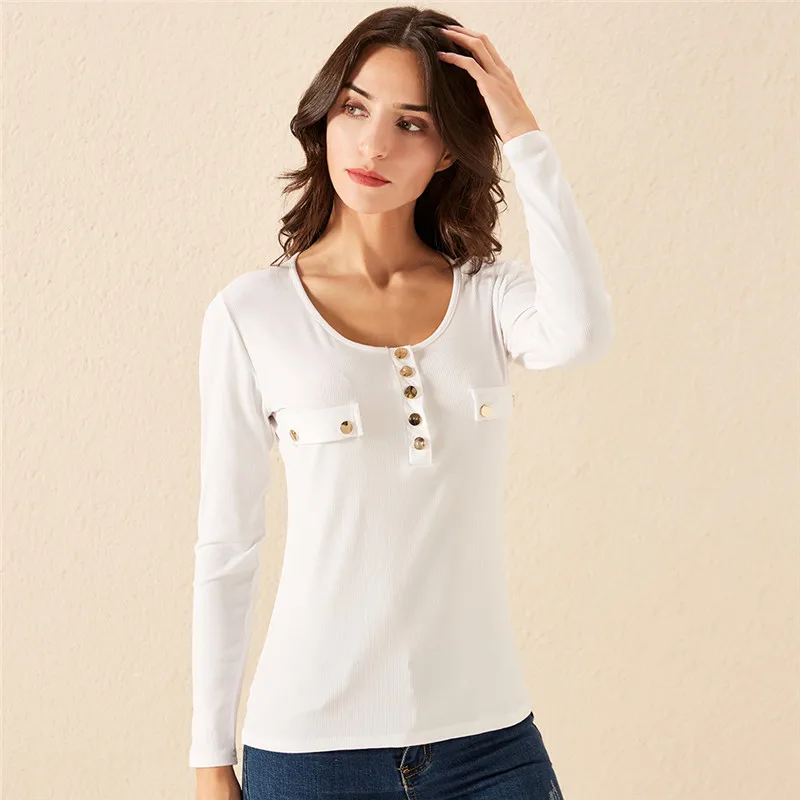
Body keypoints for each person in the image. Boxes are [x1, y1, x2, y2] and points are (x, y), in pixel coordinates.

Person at [190, 6, 613, 799]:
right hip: (311, 752)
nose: (373, 145)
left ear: (450, 148)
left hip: (491, 745)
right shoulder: (251, 314)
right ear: (324, 117)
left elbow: (581, 333)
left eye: (411, 123)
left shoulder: (490, 296)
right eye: (355, 109)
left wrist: (524, 133)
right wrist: (211, 760)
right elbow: (227, 546)